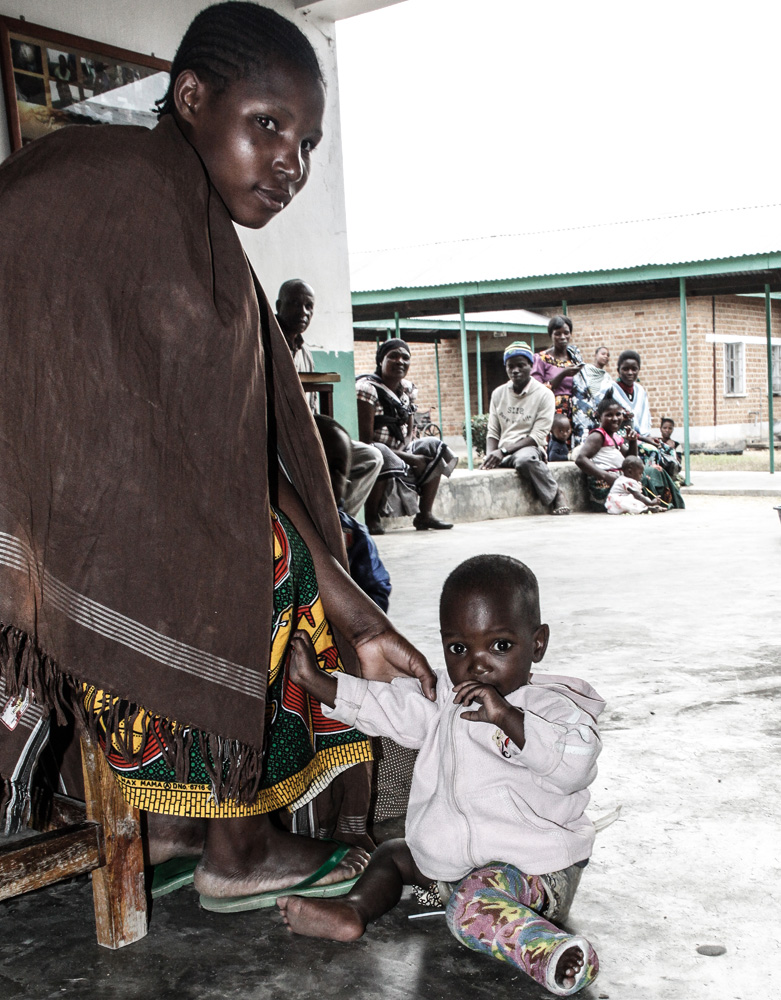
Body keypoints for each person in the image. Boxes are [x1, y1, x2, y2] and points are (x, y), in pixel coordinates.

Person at [0, 2, 436, 907]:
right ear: (191, 97)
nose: (292, 163)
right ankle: (234, 847)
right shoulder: (133, 195)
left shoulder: (174, 207)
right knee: (244, 561)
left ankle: (164, 824)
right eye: (268, 126)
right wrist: (337, 598)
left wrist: (354, 607)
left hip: (38, 496)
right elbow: (192, 469)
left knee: (250, 541)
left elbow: (214, 446)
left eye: (308, 142)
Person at [278, 555, 604, 997]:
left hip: (538, 875)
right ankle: (354, 910)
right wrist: (320, 683)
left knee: (468, 905)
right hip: (455, 872)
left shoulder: (552, 711)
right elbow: (388, 708)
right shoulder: (445, 703)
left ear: (538, 643)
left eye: (500, 646)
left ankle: (547, 950)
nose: (478, 663)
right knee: (396, 854)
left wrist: (507, 719)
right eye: (458, 648)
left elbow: (574, 767)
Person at [276, 278, 382, 515]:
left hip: (309, 432)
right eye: (294, 304)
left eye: (309, 306)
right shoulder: (265, 342)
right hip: (278, 436)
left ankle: (339, 521)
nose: (303, 312)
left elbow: (314, 406)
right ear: (278, 306)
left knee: (371, 457)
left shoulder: (304, 351)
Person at [356, 339, 456, 535]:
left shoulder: (407, 389)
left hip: (400, 449)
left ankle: (425, 514)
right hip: (376, 450)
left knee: (434, 445)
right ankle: (371, 518)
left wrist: (408, 447)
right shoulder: (367, 388)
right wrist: (409, 458)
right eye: (393, 356)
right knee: (381, 451)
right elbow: (366, 440)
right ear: (380, 361)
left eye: (405, 357)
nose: (399, 361)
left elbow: (410, 427)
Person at [481, 342, 571, 516]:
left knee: (524, 460)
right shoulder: (498, 393)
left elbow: (537, 436)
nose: (515, 370)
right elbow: (493, 430)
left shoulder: (544, 395)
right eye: (510, 366)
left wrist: (503, 450)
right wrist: (490, 455)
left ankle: (556, 493)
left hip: (528, 449)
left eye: (521, 365)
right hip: (504, 452)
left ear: (531, 366)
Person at [315, 415, 391, 613]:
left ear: (347, 483)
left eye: (337, 469)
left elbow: (375, 587)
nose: (325, 474)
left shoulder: (353, 535)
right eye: (316, 461)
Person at [530, 316, 584, 420]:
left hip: (575, 415)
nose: (562, 337)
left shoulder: (575, 358)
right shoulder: (541, 359)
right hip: (550, 414)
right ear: (551, 335)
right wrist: (562, 374)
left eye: (566, 333)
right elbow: (536, 391)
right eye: (557, 334)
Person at [571, 345, 613, 447]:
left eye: (608, 355)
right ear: (596, 355)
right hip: (582, 411)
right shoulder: (585, 370)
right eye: (603, 354)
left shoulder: (607, 378)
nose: (605, 357)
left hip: (597, 414)